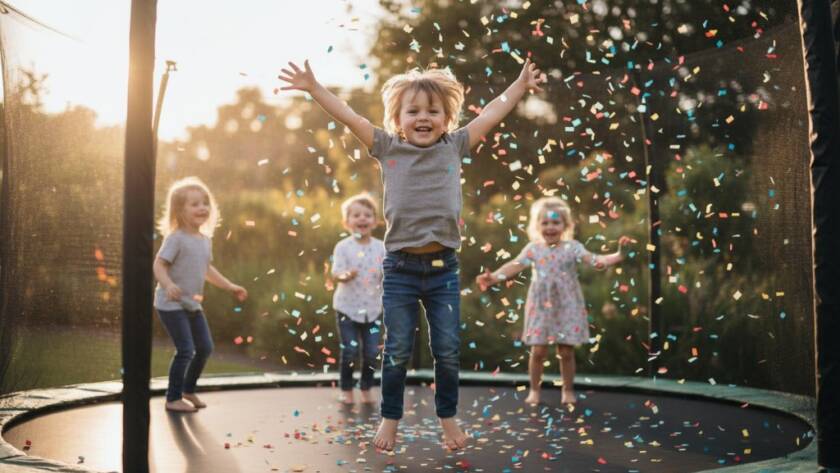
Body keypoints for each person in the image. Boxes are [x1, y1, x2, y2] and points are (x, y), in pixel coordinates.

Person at [278, 57, 545, 451]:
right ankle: (390, 418)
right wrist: (315, 88)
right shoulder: (387, 147)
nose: (424, 117)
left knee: (447, 350)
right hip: (401, 267)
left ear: (447, 118)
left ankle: (448, 416)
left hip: (443, 269)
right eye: (414, 111)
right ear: (397, 119)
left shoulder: (455, 146)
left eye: (433, 111)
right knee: (398, 349)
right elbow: (349, 115)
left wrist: (520, 87)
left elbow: (491, 113)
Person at [476, 197, 630, 405]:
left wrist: (618, 255)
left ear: (565, 225)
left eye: (555, 223)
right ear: (537, 225)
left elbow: (596, 261)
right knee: (538, 350)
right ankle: (534, 391)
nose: (550, 227)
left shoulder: (573, 247)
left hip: (567, 303)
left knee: (566, 350)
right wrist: (493, 277)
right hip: (541, 305)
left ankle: (567, 390)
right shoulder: (533, 249)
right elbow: (514, 265)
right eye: (545, 223)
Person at [153, 177, 248, 413]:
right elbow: (159, 264)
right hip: (170, 303)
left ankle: (188, 389)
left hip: (192, 304)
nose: (202, 208)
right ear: (179, 209)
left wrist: (230, 286)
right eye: (194, 204)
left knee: (204, 348)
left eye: (205, 202)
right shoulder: (175, 238)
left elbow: (207, 270)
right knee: (186, 349)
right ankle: (173, 398)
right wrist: (167, 284)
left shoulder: (205, 240)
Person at [331, 193, 386, 405]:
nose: (362, 218)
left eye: (367, 215)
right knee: (350, 350)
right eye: (356, 215)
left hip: (373, 311)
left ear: (375, 221)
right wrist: (346, 275)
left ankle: (366, 387)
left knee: (372, 352)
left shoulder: (382, 247)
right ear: (347, 222)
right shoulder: (343, 247)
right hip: (347, 310)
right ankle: (346, 388)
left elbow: (386, 273)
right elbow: (337, 274)